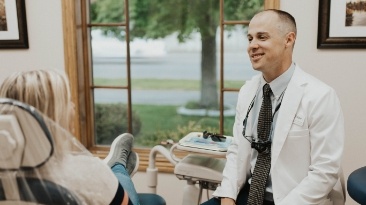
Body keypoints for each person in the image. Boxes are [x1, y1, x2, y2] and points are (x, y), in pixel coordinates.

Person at [201, 9, 345, 205]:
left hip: (294, 199)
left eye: (262, 37)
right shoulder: (248, 91)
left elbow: (325, 171)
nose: (252, 45)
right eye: (250, 38)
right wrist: (228, 197)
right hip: (249, 194)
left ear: (289, 39)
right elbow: (237, 151)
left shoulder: (320, 96)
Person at [0, 69, 141, 205]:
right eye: (68, 101)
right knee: (120, 180)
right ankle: (117, 166)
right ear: (53, 116)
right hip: (102, 182)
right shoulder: (90, 172)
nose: (73, 107)